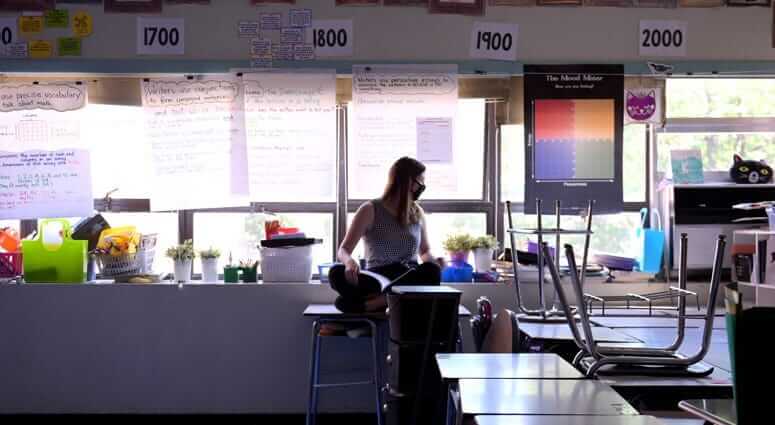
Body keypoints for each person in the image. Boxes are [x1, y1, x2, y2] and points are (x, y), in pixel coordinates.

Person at [329, 156, 444, 313]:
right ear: (408, 182)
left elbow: (424, 252)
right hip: (377, 277)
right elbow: (343, 250)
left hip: (407, 275)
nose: (422, 187)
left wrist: (435, 262)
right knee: (335, 273)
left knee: (432, 271)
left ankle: (375, 303)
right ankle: (389, 299)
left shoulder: (417, 212)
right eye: (420, 182)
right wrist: (349, 262)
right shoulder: (370, 209)